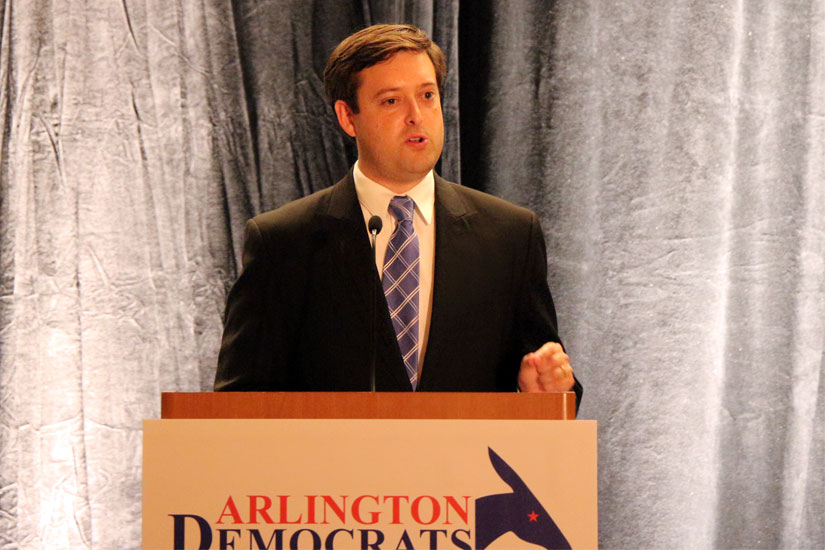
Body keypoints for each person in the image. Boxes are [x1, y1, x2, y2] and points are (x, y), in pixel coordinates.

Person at [214, 24, 582, 406]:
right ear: (347, 117)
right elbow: (239, 404)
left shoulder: (509, 235)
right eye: (392, 101)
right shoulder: (282, 242)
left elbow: (543, 385)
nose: (416, 116)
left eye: (427, 95)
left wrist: (543, 392)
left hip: (462, 465)